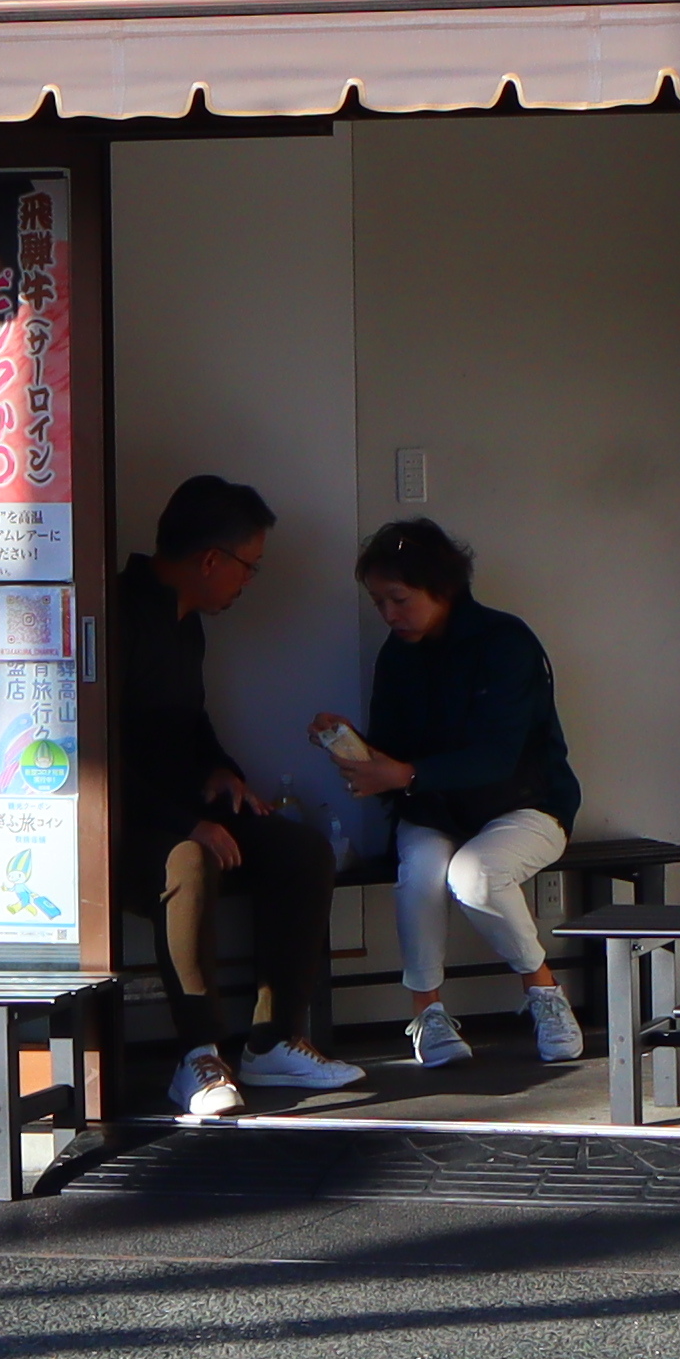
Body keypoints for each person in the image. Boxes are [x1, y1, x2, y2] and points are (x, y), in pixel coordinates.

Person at [110, 477, 365, 1121]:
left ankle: (273, 1040)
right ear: (210, 561)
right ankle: (199, 1058)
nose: (248, 582)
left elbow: (189, 725)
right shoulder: (113, 614)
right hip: (121, 822)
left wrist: (223, 772)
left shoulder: (187, 624)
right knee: (190, 862)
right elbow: (94, 753)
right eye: (248, 567)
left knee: (302, 852)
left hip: (186, 809)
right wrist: (188, 824)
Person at [329, 516, 586, 1070]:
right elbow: (394, 749)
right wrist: (355, 751)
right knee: (421, 870)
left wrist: (402, 775)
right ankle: (428, 1011)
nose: (388, 615)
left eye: (398, 599)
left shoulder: (505, 642)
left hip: (527, 803)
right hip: (435, 808)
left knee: (474, 874)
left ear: (442, 589)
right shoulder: (396, 655)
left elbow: (495, 756)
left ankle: (544, 991)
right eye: (378, 602)